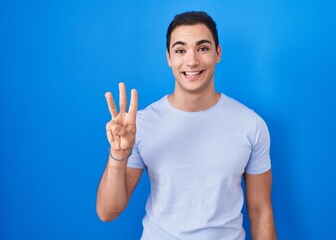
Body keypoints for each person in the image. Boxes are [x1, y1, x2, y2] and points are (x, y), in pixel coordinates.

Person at [96, 11, 277, 240]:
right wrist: (118, 154)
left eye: (202, 48)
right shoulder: (141, 124)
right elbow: (107, 212)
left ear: (217, 53)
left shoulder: (251, 124)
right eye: (180, 50)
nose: (191, 61)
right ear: (169, 57)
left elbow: (261, 211)